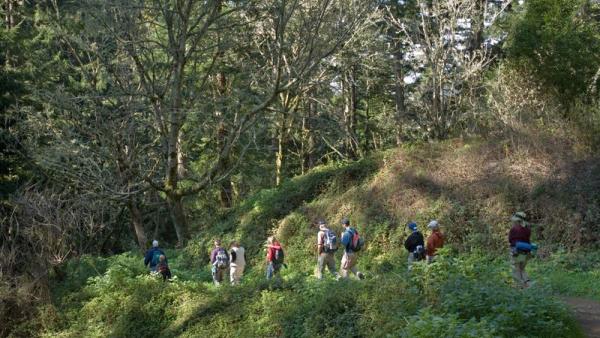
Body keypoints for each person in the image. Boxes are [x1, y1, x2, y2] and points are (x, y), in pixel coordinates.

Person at [508, 211, 532, 288]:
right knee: (522, 269)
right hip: (526, 251)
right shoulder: (527, 229)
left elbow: (510, 240)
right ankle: (528, 283)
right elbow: (528, 240)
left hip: (515, 251)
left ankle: (519, 286)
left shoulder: (513, 229)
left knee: (516, 268)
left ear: (517, 221)